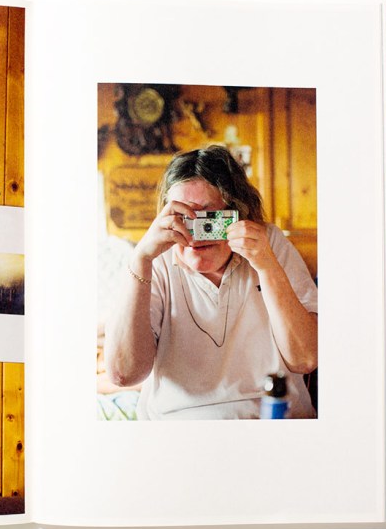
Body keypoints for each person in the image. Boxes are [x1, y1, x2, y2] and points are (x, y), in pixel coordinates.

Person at [104, 145, 318, 419]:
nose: (195, 235)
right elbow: (123, 374)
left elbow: (306, 359)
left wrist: (266, 265)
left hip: (272, 418)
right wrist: (140, 260)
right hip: (178, 426)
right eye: (182, 218)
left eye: (210, 219)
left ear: (238, 214)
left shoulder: (269, 243)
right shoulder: (155, 259)